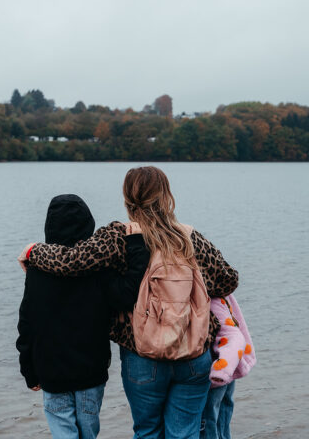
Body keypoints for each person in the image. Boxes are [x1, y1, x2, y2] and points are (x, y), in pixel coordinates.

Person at [18, 166, 239, 439]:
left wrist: (35, 251)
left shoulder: (117, 236)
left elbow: (70, 261)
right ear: (166, 195)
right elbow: (228, 280)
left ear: (127, 198)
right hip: (193, 354)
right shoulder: (189, 237)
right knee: (184, 433)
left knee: (147, 431)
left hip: (142, 355)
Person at [16, 194, 149, 439]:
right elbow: (126, 295)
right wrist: (137, 249)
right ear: (88, 226)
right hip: (91, 373)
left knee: (63, 433)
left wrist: (29, 371)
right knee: (88, 433)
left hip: (52, 373)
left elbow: (27, 323)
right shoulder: (98, 268)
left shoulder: (37, 271)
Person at [201, 294, 256, 439]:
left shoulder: (204, 286)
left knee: (209, 418)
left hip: (217, 364)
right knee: (222, 412)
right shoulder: (223, 283)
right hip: (230, 359)